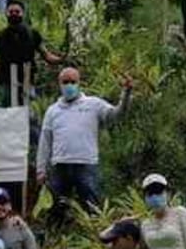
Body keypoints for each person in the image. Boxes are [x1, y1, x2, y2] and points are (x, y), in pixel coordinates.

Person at [36, 67, 132, 215]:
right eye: (65, 82)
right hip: (60, 165)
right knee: (57, 208)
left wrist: (126, 93)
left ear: (79, 83)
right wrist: (41, 169)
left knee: (91, 207)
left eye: (73, 82)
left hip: (86, 164)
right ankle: (58, 230)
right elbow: (45, 140)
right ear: (59, 84)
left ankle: (94, 229)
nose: (69, 85)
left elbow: (116, 115)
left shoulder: (94, 105)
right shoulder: (53, 110)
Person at [0, 0, 65, 108]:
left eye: (17, 11)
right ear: (6, 13)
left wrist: (62, 59)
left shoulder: (33, 34)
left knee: (28, 110)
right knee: (6, 110)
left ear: (23, 13)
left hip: (27, 79)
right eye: (11, 12)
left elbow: (46, 55)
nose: (14, 14)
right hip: (6, 80)